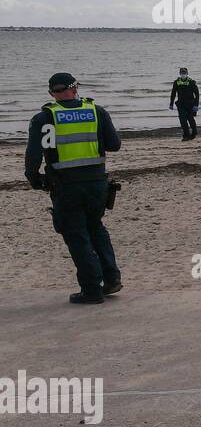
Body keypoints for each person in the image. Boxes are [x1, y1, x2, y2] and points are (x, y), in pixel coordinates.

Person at [25, 73, 123, 304]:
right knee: (96, 228)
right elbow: (114, 145)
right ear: (76, 88)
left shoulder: (44, 118)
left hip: (66, 186)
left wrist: (34, 178)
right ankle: (111, 279)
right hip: (98, 183)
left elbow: (34, 155)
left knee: (76, 235)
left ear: (52, 93)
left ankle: (91, 289)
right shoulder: (96, 111)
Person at [169, 67, 200, 140]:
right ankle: (186, 135)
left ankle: (194, 132)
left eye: (184, 73)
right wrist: (171, 103)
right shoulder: (176, 82)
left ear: (187, 74)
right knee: (182, 120)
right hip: (180, 104)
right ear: (180, 74)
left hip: (190, 104)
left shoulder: (191, 82)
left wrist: (196, 105)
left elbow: (197, 94)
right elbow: (173, 93)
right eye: (182, 73)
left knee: (190, 119)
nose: (183, 74)